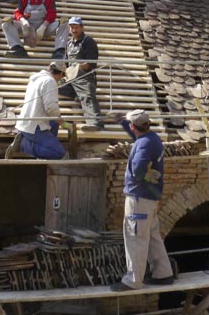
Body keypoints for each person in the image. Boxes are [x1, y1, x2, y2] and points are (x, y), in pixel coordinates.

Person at [111, 109, 175, 291]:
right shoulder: (152, 138)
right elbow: (137, 136)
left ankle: (133, 280)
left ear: (134, 126)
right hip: (150, 198)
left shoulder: (143, 145)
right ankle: (163, 274)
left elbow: (138, 170)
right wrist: (122, 121)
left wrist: (134, 175)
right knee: (153, 236)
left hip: (138, 197)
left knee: (135, 237)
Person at [5, 62, 67, 160]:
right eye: (62, 77)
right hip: (35, 127)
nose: (60, 80)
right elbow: (51, 108)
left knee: (54, 123)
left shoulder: (36, 78)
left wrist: (58, 121)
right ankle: (24, 145)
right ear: (60, 74)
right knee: (59, 152)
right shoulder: (50, 81)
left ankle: (43, 149)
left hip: (25, 122)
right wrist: (63, 123)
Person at [2, 0, 68, 58]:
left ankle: (59, 51)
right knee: (6, 24)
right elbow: (17, 12)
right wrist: (23, 20)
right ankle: (17, 48)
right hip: (27, 27)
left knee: (64, 23)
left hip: (44, 28)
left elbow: (52, 14)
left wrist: (44, 26)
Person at [59, 17, 103, 131]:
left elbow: (91, 63)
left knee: (87, 96)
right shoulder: (69, 44)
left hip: (85, 76)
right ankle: (76, 95)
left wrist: (77, 68)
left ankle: (95, 123)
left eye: (76, 27)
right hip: (70, 78)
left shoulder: (88, 41)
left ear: (82, 27)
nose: (74, 30)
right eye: (72, 27)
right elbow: (66, 63)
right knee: (54, 84)